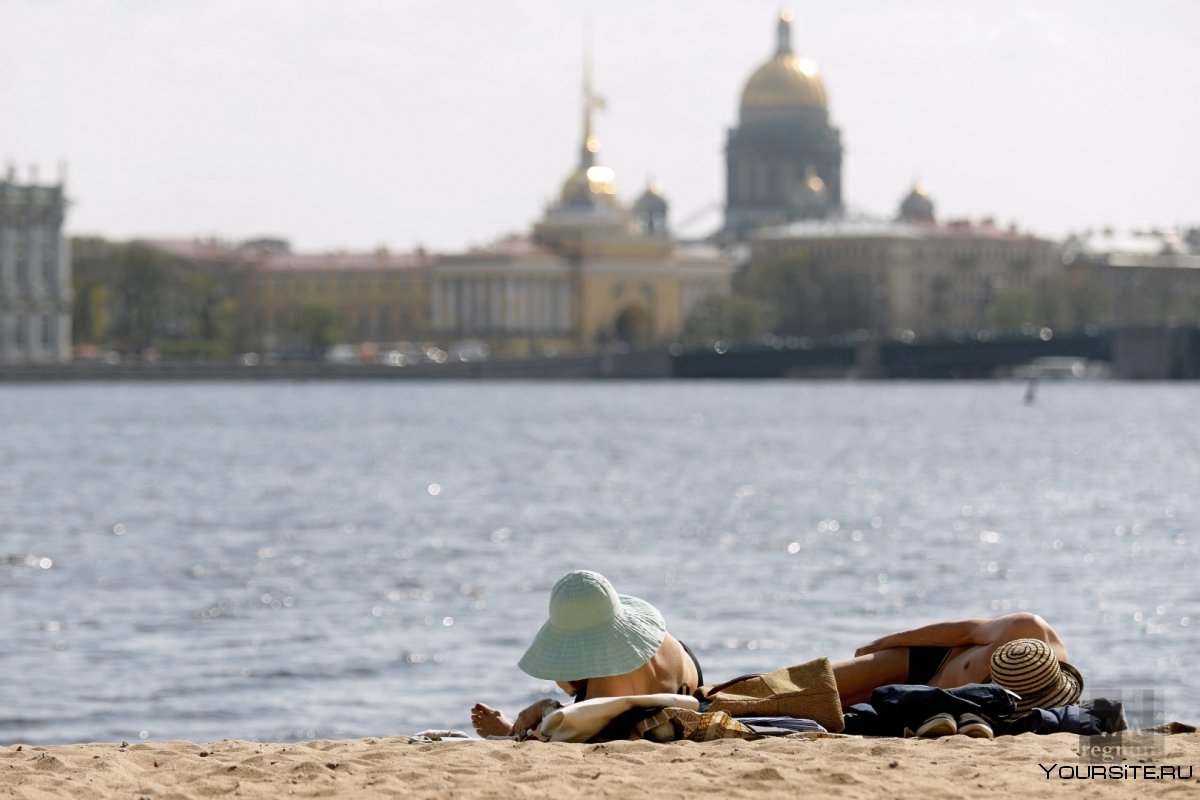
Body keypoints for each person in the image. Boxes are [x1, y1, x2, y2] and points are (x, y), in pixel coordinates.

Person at [471, 570, 702, 738]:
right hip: (686, 679)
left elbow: (570, 729)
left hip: (638, 708)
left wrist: (540, 711)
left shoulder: (610, 680)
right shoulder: (654, 641)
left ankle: (508, 730)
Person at [832, 612, 1083, 712]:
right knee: (811, 687)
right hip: (927, 663)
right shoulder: (1029, 628)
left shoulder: (1047, 706)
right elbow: (965, 631)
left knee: (828, 713)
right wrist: (888, 641)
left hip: (918, 703)